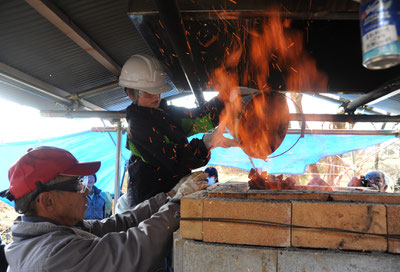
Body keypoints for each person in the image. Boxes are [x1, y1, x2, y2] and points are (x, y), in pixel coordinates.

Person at [0, 146, 208, 271]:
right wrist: (177, 205)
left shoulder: (57, 231)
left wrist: (169, 196)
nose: (86, 191)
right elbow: (132, 250)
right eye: (77, 185)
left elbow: (117, 223)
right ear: (47, 201)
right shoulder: (51, 257)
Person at [119, 54, 237, 207]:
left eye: (159, 91)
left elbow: (199, 117)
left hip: (173, 196)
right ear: (131, 93)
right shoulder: (137, 126)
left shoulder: (165, 113)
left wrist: (226, 98)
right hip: (149, 204)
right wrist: (206, 143)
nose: (156, 96)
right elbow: (175, 160)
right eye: (149, 92)